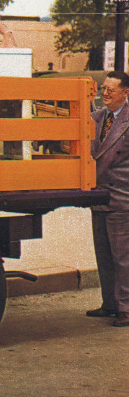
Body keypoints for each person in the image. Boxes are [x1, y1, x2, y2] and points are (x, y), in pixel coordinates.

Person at [88, 70, 129, 327]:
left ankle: (126, 308)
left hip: (121, 197)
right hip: (98, 196)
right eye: (103, 89)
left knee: (122, 257)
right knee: (103, 254)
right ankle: (110, 304)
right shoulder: (96, 117)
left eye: (111, 90)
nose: (105, 94)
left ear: (126, 93)